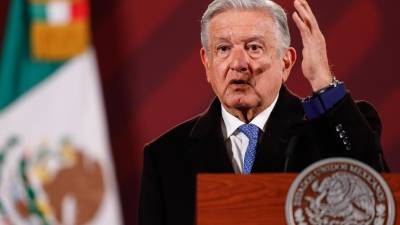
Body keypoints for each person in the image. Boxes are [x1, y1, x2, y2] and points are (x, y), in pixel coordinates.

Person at [139, 0, 389, 224]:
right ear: (207, 63)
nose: (238, 64)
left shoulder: (333, 129)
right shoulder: (165, 156)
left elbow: (377, 196)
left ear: (286, 62)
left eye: (254, 47)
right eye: (223, 49)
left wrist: (323, 81)